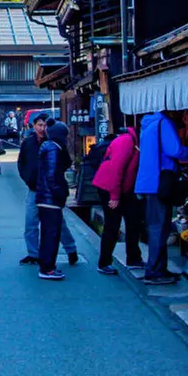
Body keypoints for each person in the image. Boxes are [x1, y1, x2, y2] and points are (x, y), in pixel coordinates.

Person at [134, 109, 186, 285]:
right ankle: (155, 271)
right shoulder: (163, 123)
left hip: (148, 182)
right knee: (160, 228)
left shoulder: (147, 124)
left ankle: (158, 268)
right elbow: (174, 150)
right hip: (160, 182)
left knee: (156, 227)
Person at [19, 115, 78, 266]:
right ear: (33, 126)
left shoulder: (55, 143)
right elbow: (22, 163)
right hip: (33, 188)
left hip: (50, 191)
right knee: (30, 223)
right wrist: (28, 178)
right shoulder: (28, 142)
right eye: (39, 125)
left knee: (57, 223)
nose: (42, 128)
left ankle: (71, 249)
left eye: (45, 125)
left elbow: (65, 162)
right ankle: (33, 253)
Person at [92, 126, 144, 274]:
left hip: (124, 188)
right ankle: (104, 262)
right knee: (112, 224)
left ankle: (133, 258)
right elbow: (116, 169)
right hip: (110, 187)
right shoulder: (126, 141)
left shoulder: (132, 141)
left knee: (133, 220)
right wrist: (114, 196)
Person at [34, 122, 73, 279]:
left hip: (45, 197)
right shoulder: (53, 149)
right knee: (51, 234)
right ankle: (47, 268)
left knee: (48, 233)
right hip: (50, 199)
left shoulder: (49, 147)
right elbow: (53, 176)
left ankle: (47, 265)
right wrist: (60, 194)